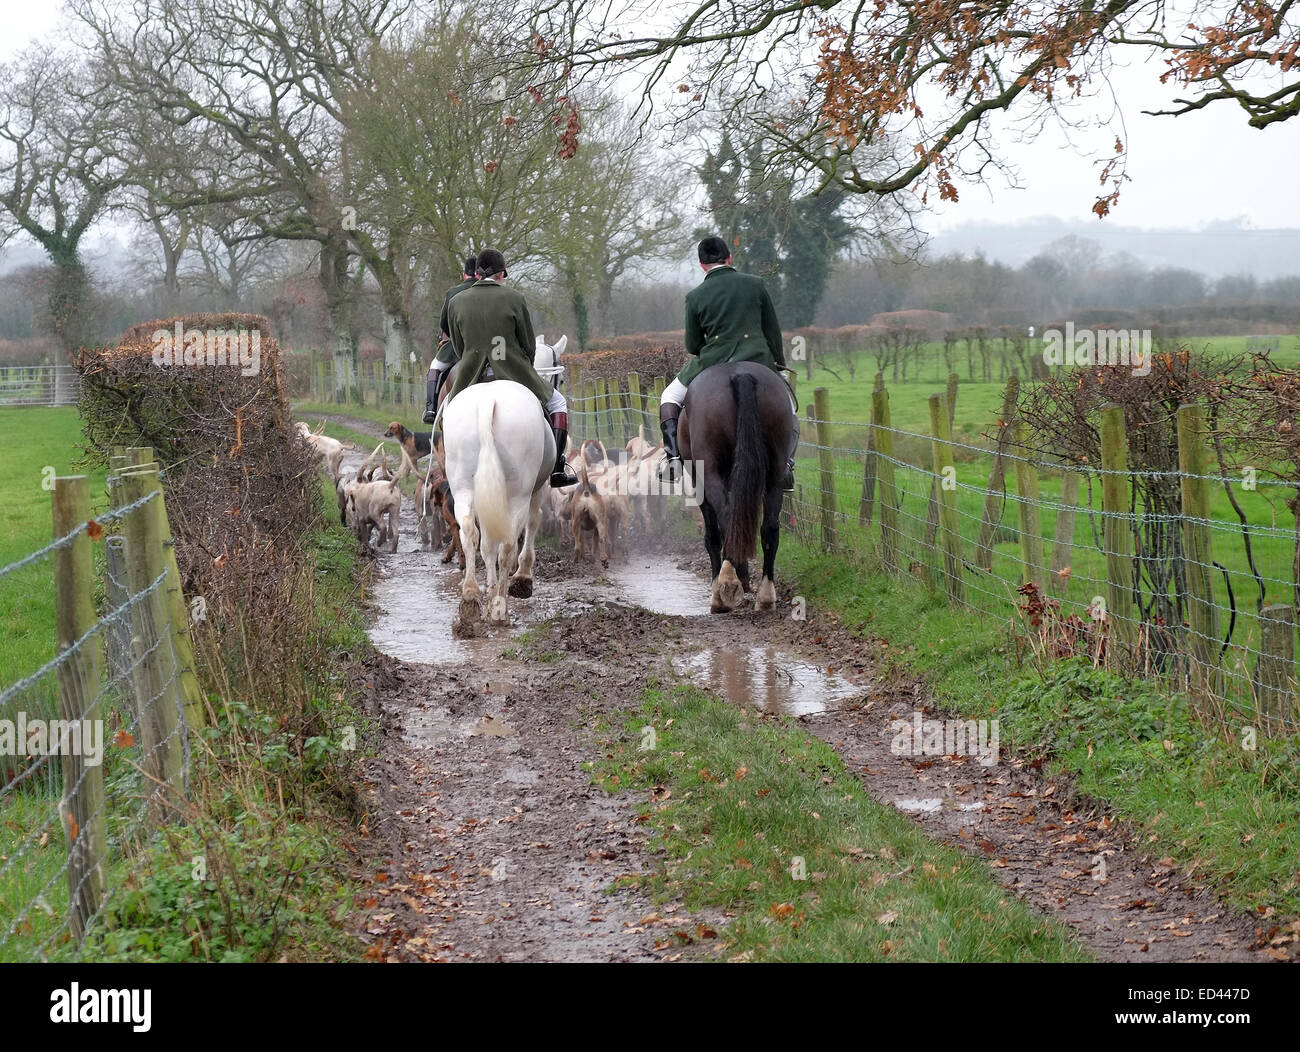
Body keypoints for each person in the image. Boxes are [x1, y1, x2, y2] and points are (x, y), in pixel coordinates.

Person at [658, 236, 799, 491]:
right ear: (730, 258)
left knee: (668, 397)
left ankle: (673, 461)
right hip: (759, 359)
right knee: (788, 406)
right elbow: (772, 332)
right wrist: (777, 363)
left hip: (711, 361)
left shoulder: (695, 296)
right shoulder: (756, 284)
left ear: (702, 265)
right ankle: (786, 465)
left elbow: (692, 345)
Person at [444, 247, 578, 488]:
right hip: (512, 372)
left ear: (475, 274)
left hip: (470, 375)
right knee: (558, 403)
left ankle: (450, 466)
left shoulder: (456, 302)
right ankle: (558, 468)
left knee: (447, 414)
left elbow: (458, 345)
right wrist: (522, 361)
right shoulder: (515, 299)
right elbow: (528, 344)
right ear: (502, 274)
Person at [422, 256, 479, 424]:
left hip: (457, 348)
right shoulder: (491, 290)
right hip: (491, 348)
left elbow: (444, 324)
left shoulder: (453, 292)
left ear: (464, 274)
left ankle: (431, 410)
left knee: (435, 367)